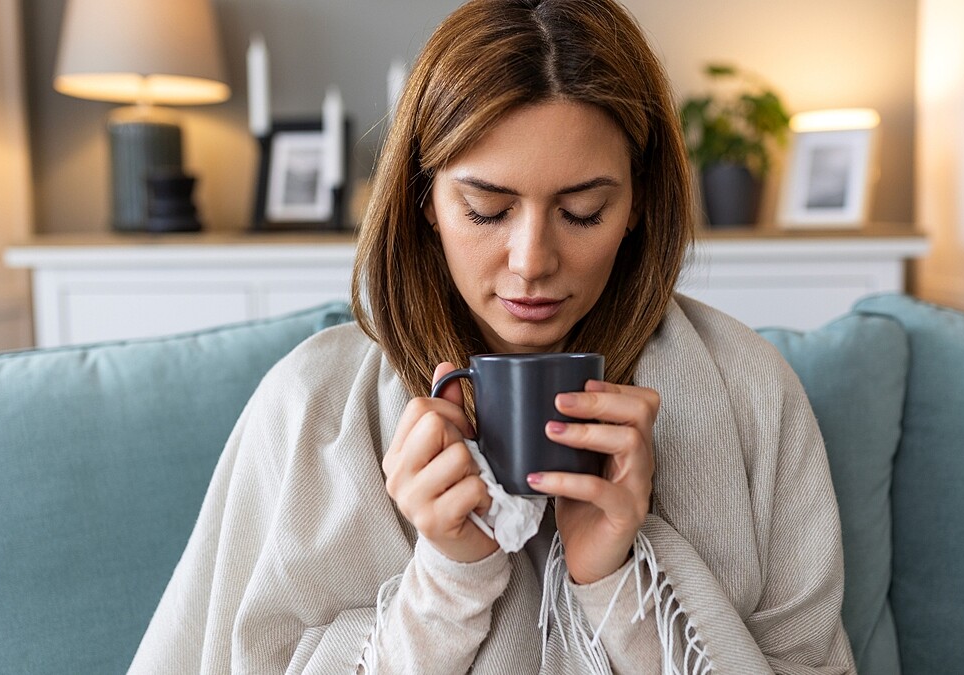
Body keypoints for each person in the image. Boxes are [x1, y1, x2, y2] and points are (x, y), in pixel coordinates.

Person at [129, 0, 856, 673]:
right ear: (424, 198)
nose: (532, 262)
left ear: (638, 202)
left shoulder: (751, 393)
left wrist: (618, 580)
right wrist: (448, 579)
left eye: (583, 211)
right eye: (486, 209)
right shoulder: (307, 407)